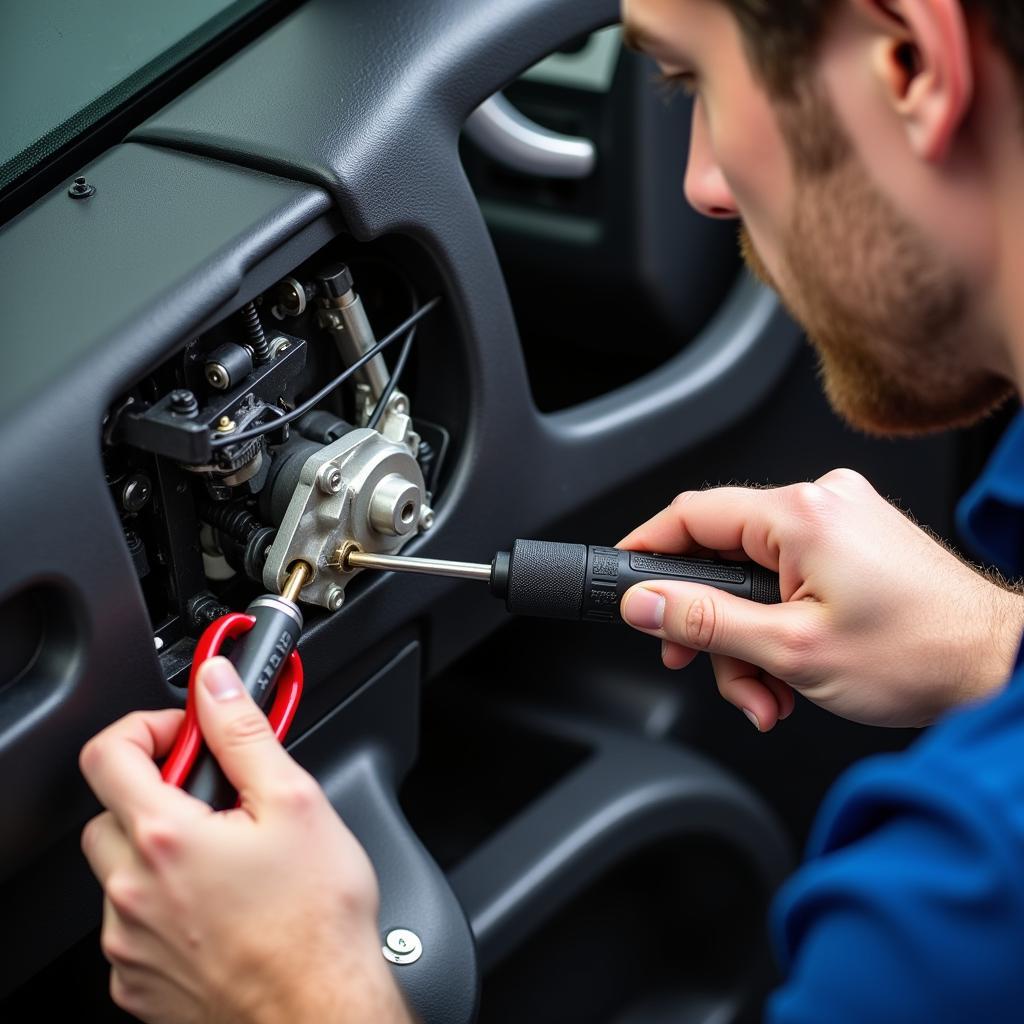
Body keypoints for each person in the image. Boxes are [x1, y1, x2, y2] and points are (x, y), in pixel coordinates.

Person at [79, 0, 1024, 1019]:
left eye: (693, 81)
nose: (701, 185)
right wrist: (989, 644)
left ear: (907, 62)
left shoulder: (954, 914)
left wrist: (293, 994)